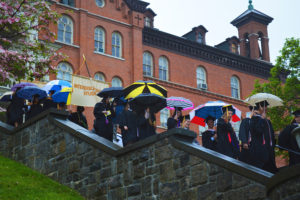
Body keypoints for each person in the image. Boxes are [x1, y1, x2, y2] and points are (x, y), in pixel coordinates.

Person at [249, 100, 277, 173]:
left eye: (266, 106)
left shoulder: (267, 121)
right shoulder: (254, 119)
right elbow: (258, 131)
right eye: (264, 106)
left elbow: (271, 134)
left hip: (269, 149)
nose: (266, 108)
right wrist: (261, 119)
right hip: (260, 149)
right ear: (260, 107)